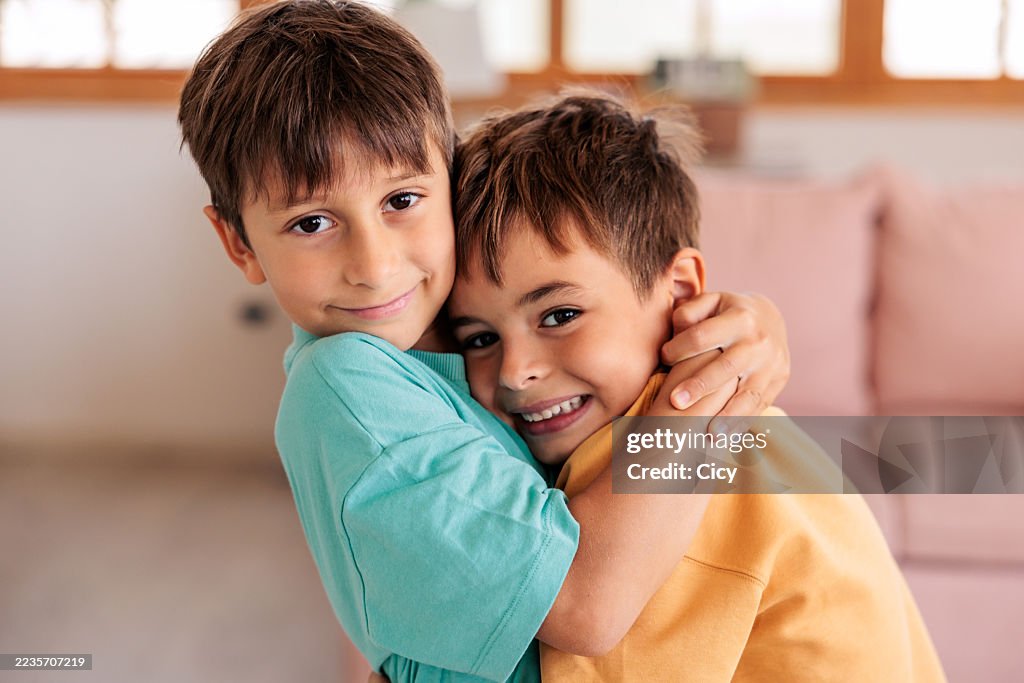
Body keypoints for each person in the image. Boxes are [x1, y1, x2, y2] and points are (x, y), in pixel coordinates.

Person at [177, 2, 792, 680]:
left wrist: (744, 331)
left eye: (401, 201)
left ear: (448, 177)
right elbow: (588, 605)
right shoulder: (345, 385)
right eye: (312, 221)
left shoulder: (452, 345)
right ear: (238, 241)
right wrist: (702, 396)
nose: (376, 264)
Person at [449, 93, 946, 681]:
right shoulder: (730, 425)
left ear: (682, 290)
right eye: (479, 337)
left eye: (559, 316)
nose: (514, 371)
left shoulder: (652, 469)